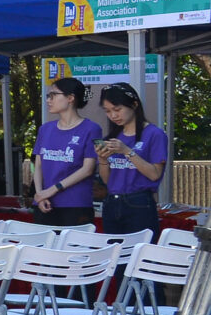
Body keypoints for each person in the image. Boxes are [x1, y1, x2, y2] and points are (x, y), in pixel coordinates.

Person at [94, 83, 168, 237]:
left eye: (117, 109)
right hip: (111, 202)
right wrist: (102, 159)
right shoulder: (112, 137)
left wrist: (127, 151)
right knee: (115, 254)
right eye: (108, 111)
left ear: (134, 105)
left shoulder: (154, 134)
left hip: (139, 202)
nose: (113, 116)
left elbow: (154, 174)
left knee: (140, 253)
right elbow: (107, 180)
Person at [29, 77, 102, 226]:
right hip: (44, 203)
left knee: (74, 248)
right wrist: (40, 194)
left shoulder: (91, 129)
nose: (49, 100)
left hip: (75, 203)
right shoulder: (45, 129)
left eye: (53, 95)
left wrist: (53, 190)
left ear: (70, 98)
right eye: (48, 96)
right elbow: (38, 165)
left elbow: (88, 169)